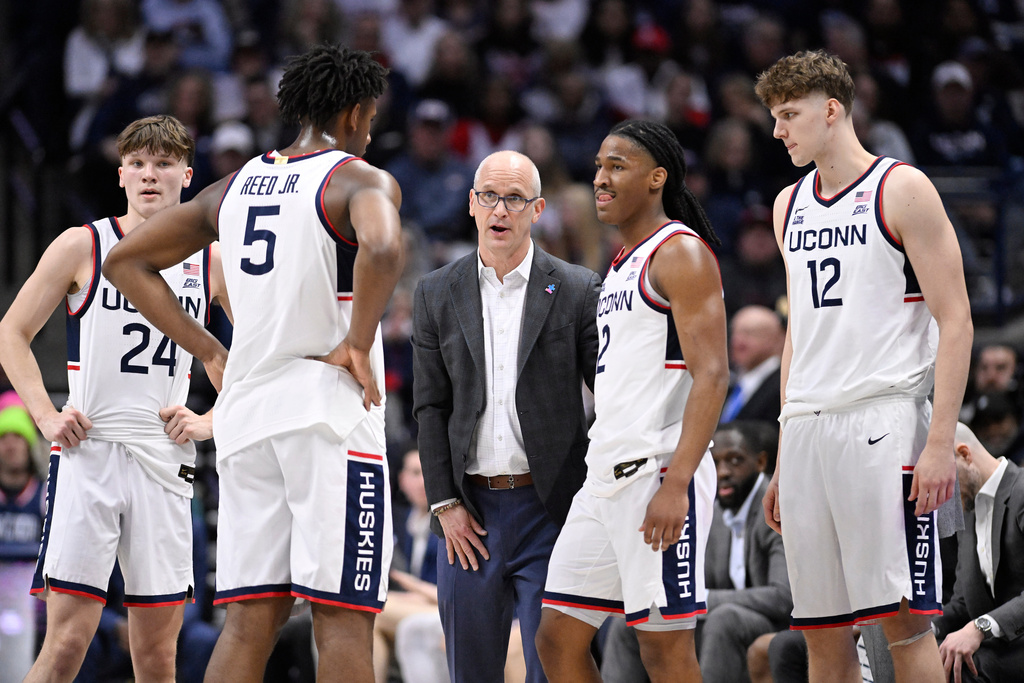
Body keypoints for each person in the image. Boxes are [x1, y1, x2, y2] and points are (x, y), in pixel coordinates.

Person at [103, 45, 404, 683]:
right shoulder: (358, 177)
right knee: (345, 617)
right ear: (354, 113)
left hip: (248, 422)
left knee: (249, 620)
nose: (372, 130)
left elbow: (124, 261)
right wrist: (359, 338)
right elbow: (382, 245)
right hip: (329, 421)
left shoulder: (235, 184)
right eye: (371, 116)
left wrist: (210, 349)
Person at [754, 49, 973, 683]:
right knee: (823, 635)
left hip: (882, 421)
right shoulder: (786, 204)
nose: (778, 131)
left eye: (789, 115)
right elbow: (801, 329)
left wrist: (938, 444)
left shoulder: (901, 187)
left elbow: (955, 320)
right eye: (774, 117)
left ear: (831, 111)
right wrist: (783, 447)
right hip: (807, 429)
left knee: (904, 626)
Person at [0, 114, 228, 683]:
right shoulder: (84, 243)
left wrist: (213, 420)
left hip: (164, 456)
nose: (150, 175)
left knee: (157, 657)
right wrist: (46, 415)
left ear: (187, 176)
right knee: (66, 644)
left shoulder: (212, 260)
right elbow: (11, 334)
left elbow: (249, 359)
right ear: (122, 174)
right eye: (139, 164)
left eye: (164, 164)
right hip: (90, 451)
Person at [536, 119, 730, 682]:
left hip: (659, 472)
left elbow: (712, 376)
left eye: (616, 166)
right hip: (604, 479)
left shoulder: (680, 254)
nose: (600, 178)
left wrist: (677, 484)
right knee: (556, 638)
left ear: (657, 178)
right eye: (598, 166)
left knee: (664, 650)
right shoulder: (620, 263)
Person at [411, 149, 601, 683]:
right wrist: (444, 502)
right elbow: (430, 406)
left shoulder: (577, 288)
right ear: (472, 204)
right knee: (470, 671)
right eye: (490, 196)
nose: (501, 208)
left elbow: (609, 395)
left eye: (515, 198)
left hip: (552, 511)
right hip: (468, 514)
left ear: (537, 209)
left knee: (557, 668)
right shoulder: (435, 292)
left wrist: (594, 498)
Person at [600, 420, 790, 683]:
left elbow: (783, 597)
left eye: (735, 460)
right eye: (715, 462)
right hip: (721, 626)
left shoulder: (776, 507)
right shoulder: (715, 510)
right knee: (636, 620)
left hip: (775, 625)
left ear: (760, 462)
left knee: (725, 618)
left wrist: (705, 599)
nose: (722, 472)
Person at [935, 422, 1024, 682]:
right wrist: (924, 629)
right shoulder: (968, 508)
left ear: (965, 455)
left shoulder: (1021, 492)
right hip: (996, 648)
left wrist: (980, 627)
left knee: (951, 671)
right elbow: (964, 601)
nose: (940, 497)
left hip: (1013, 643)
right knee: (919, 657)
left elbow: (975, 621)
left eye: (942, 481)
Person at [0, 392, 44, 682]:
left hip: (36, 606)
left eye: (19, 436)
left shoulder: (44, 495)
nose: (11, 444)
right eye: (5, 437)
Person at [721, 305, 785, 425]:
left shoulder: (783, 386)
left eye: (749, 333)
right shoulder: (730, 383)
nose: (737, 342)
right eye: (735, 333)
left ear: (777, 339)